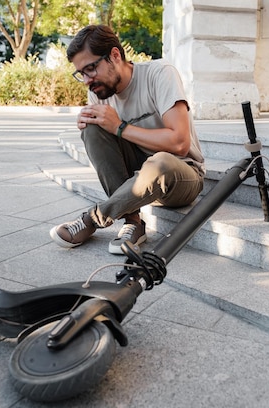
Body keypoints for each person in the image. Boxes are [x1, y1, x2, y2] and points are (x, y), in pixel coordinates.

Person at [49, 24, 205, 255]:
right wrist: (96, 124)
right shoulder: (98, 90)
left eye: (91, 68)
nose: (86, 80)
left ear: (114, 55)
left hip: (181, 174)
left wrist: (120, 127)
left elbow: (180, 143)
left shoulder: (159, 73)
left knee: (160, 162)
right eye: (81, 73)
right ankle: (133, 221)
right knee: (92, 130)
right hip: (137, 177)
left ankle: (93, 219)